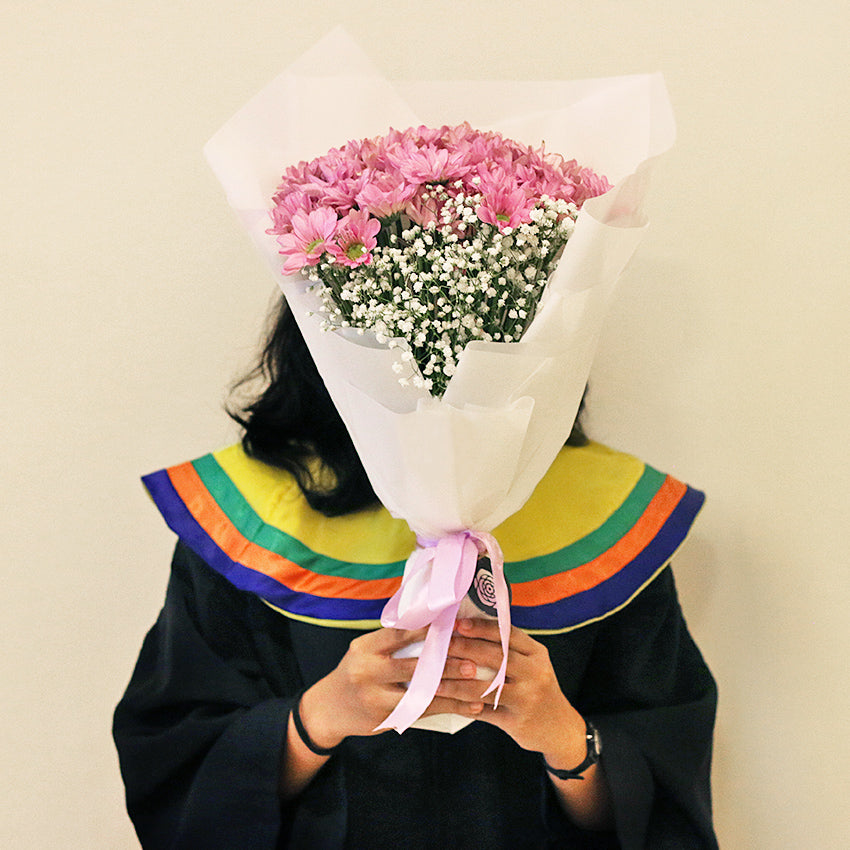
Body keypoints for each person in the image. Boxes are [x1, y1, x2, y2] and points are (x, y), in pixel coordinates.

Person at [113, 298, 719, 849]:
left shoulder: (606, 518)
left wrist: (565, 740)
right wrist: (317, 717)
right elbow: (175, 771)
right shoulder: (247, 520)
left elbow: (666, 798)